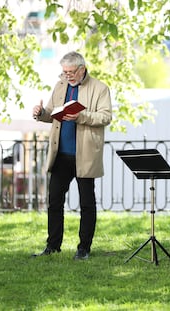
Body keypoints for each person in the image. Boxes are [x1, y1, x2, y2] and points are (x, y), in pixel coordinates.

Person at [32, 51, 112, 260]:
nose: (66, 75)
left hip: (84, 155)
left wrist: (81, 116)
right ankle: (53, 246)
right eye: (64, 72)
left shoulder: (100, 88)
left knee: (86, 203)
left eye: (70, 72)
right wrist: (41, 113)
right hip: (61, 154)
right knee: (54, 201)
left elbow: (105, 116)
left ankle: (84, 248)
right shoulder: (60, 86)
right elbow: (52, 113)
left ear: (81, 69)